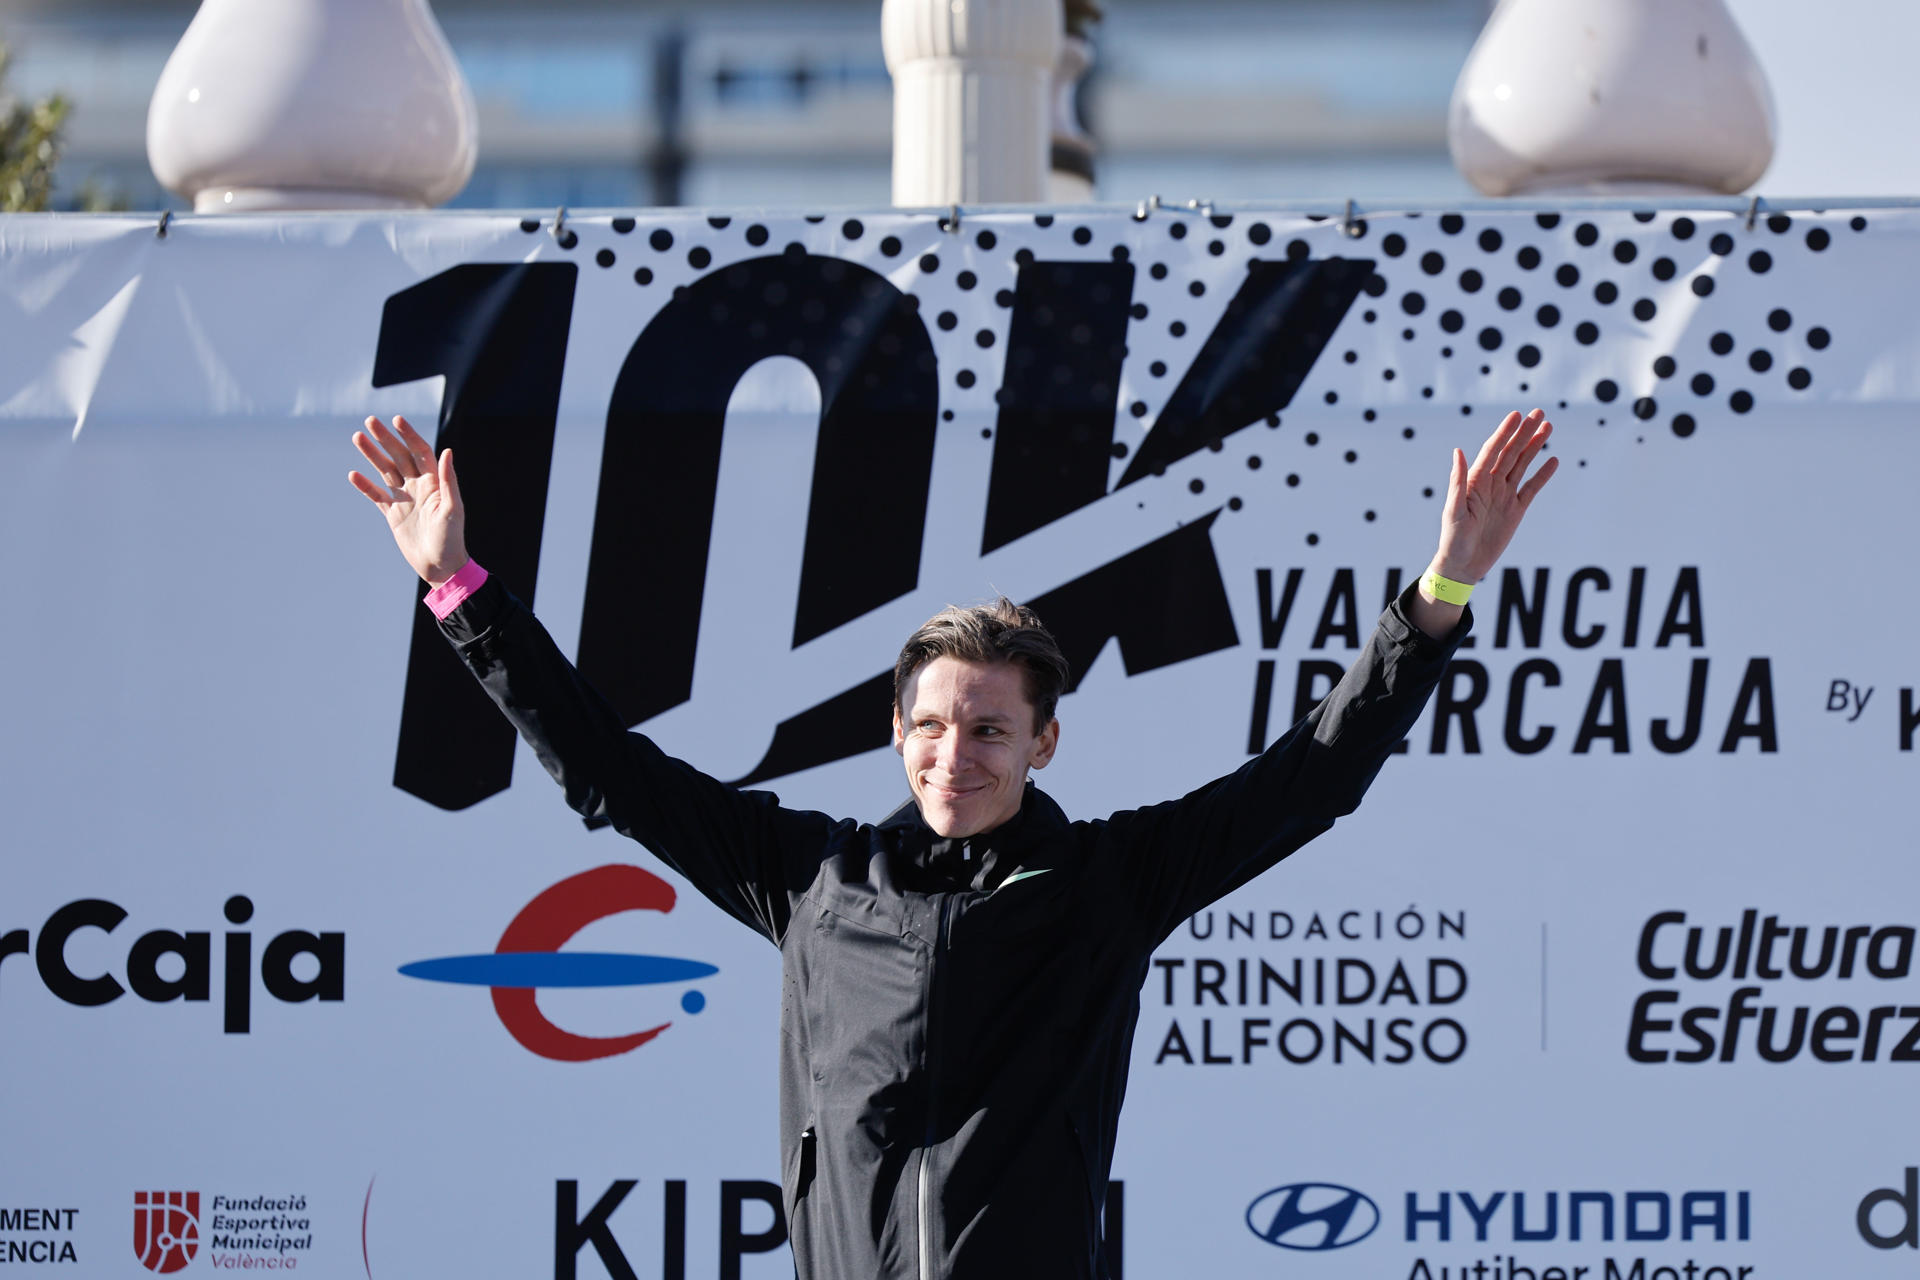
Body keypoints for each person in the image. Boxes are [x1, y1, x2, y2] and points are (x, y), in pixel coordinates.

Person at [349, 407, 1557, 1280]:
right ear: (895, 730)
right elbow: (611, 769)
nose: (953, 753)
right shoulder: (813, 881)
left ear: (1044, 742)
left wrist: (1436, 598)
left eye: (988, 728)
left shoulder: (1108, 883)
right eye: (929, 725)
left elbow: (1314, 777)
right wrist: (460, 590)